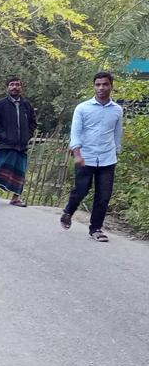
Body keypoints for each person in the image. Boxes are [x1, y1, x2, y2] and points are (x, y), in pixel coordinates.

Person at [60, 71, 124, 242]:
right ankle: (68, 211)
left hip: (107, 159)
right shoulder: (82, 108)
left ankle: (95, 229)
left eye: (105, 84)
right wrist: (77, 154)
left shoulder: (117, 110)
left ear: (111, 85)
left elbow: (117, 134)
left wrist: (116, 152)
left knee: (103, 196)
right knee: (81, 190)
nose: (101, 88)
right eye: (98, 84)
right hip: (85, 157)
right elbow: (76, 133)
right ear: (94, 86)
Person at [0, 76, 37, 207]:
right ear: (7, 87)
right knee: (1, 167)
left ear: (21, 87)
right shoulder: (1, 104)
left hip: (22, 145)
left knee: (20, 171)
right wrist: (4, 136)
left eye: (17, 85)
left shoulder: (26, 105)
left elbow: (33, 123)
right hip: (6, 144)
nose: (15, 87)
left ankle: (16, 197)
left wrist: (27, 136)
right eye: (12, 84)